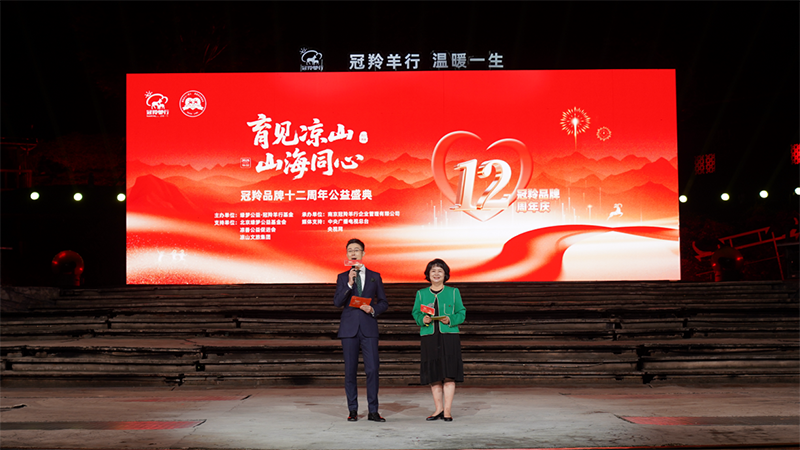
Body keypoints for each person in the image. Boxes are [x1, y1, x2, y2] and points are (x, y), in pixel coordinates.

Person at [333, 238, 389, 422]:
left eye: (357, 250)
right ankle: (353, 410)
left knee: (372, 369)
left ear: (363, 253)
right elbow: (337, 302)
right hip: (349, 329)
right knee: (350, 371)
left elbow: (384, 302)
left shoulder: (375, 276)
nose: (353, 253)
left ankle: (373, 411)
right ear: (347, 254)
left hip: (368, 328)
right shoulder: (343, 277)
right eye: (350, 250)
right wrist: (349, 284)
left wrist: (373, 309)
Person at [411, 258, 466, 422]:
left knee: (449, 374)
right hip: (429, 337)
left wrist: (450, 319)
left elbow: (461, 312)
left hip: (449, 336)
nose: (436, 274)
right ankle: (438, 409)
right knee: (434, 375)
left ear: (445, 274)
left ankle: (447, 411)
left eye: (440, 271)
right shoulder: (421, 293)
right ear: (428, 274)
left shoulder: (453, 292)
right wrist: (422, 319)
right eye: (433, 271)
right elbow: (416, 313)